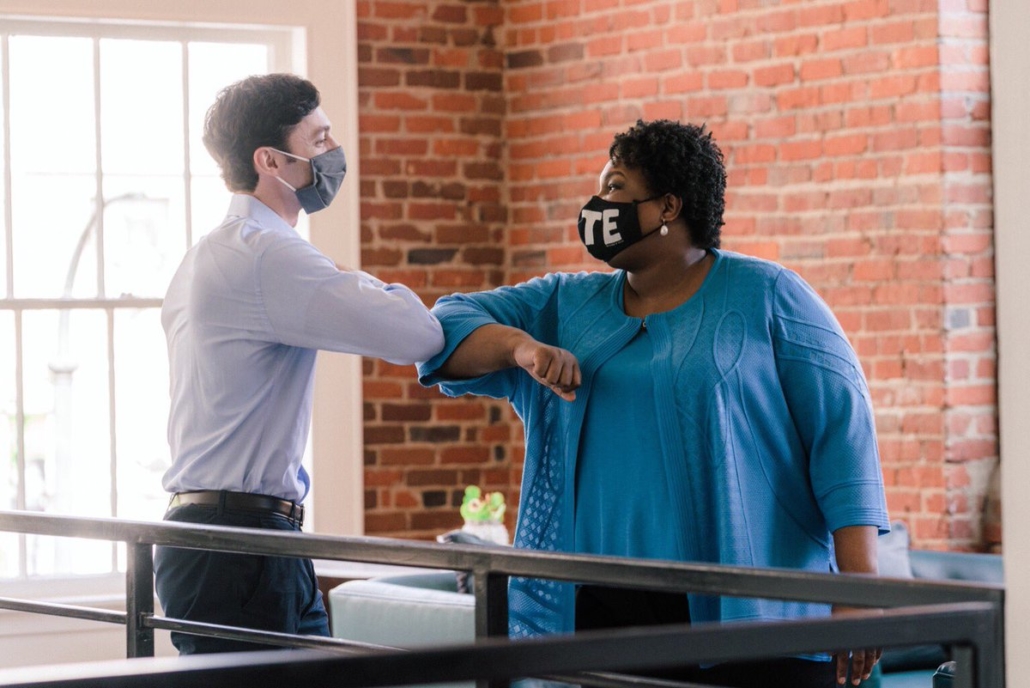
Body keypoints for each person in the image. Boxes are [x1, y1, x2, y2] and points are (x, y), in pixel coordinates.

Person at [417, 119, 889, 688]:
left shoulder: (769, 294)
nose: (597, 205)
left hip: (751, 610)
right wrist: (520, 347)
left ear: (668, 205)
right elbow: (444, 326)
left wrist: (859, 586)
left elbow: (842, 435)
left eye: (614, 187)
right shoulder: (565, 303)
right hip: (595, 612)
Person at [154, 73, 444, 655]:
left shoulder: (212, 251)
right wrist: (340, 273)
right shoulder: (269, 256)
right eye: (319, 140)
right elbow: (419, 335)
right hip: (240, 545)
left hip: (235, 537)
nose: (333, 152)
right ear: (270, 161)